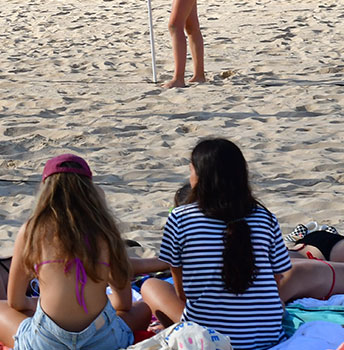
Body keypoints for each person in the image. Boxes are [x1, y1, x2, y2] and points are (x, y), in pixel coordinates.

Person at [142, 139, 344, 347]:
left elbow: (179, 283)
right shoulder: (265, 217)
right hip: (266, 336)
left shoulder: (180, 217)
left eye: (191, 170)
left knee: (151, 285)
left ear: (200, 177)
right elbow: (277, 278)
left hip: (209, 337)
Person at [0, 154, 146, 350]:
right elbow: (123, 303)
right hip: (102, 342)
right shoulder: (106, 231)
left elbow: (15, 302)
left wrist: (39, 303)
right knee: (143, 308)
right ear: (90, 190)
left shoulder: (32, 230)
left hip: (46, 342)